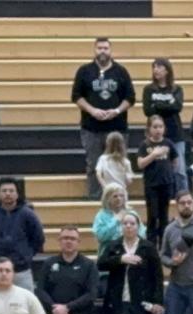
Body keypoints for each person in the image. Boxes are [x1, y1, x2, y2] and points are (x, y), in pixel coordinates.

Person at [97, 213, 163, 314]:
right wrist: (120, 259)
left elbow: (157, 277)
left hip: (144, 302)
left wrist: (158, 302)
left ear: (138, 226)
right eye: (125, 223)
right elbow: (101, 263)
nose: (128, 226)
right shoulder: (114, 245)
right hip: (122, 302)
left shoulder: (148, 247)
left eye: (132, 223)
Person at [71, 38, 135, 200]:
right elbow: (76, 96)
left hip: (117, 128)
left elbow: (130, 97)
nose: (103, 51)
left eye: (106, 48)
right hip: (91, 128)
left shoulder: (121, 71)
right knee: (94, 165)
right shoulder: (84, 71)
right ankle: (95, 198)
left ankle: (120, 198)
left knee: (119, 164)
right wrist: (92, 111)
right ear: (94, 50)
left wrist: (117, 110)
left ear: (110, 50)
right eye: (99, 48)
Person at [0, 177, 44, 289]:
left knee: (24, 304)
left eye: (11, 191)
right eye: (4, 191)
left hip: (22, 270)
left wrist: (26, 255)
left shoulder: (28, 214)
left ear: (17, 194)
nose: (8, 194)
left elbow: (38, 238)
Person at [135, 115, 184, 240]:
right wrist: (153, 155)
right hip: (151, 185)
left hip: (166, 184)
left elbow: (175, 161)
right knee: (152, 216)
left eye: (161, 127)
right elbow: (140, 164)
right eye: (155, 127)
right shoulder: (144, 145)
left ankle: (163, 245)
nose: (158, 130)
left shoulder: (168, 143)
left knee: (164, 216)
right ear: (149, 129)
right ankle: (151, 245)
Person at [142, 58, 187, 172]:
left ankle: (182, 190)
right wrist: (168, 105)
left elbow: (177, 107)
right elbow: (147, 111)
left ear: (167, 70)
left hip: (175, 133)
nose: (156, 70)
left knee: (179, 170)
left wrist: (157, 105)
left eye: (159, 67)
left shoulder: (176, 89)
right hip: (155, 136)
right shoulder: (148, 89)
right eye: (154, 67)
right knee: (158, 169)